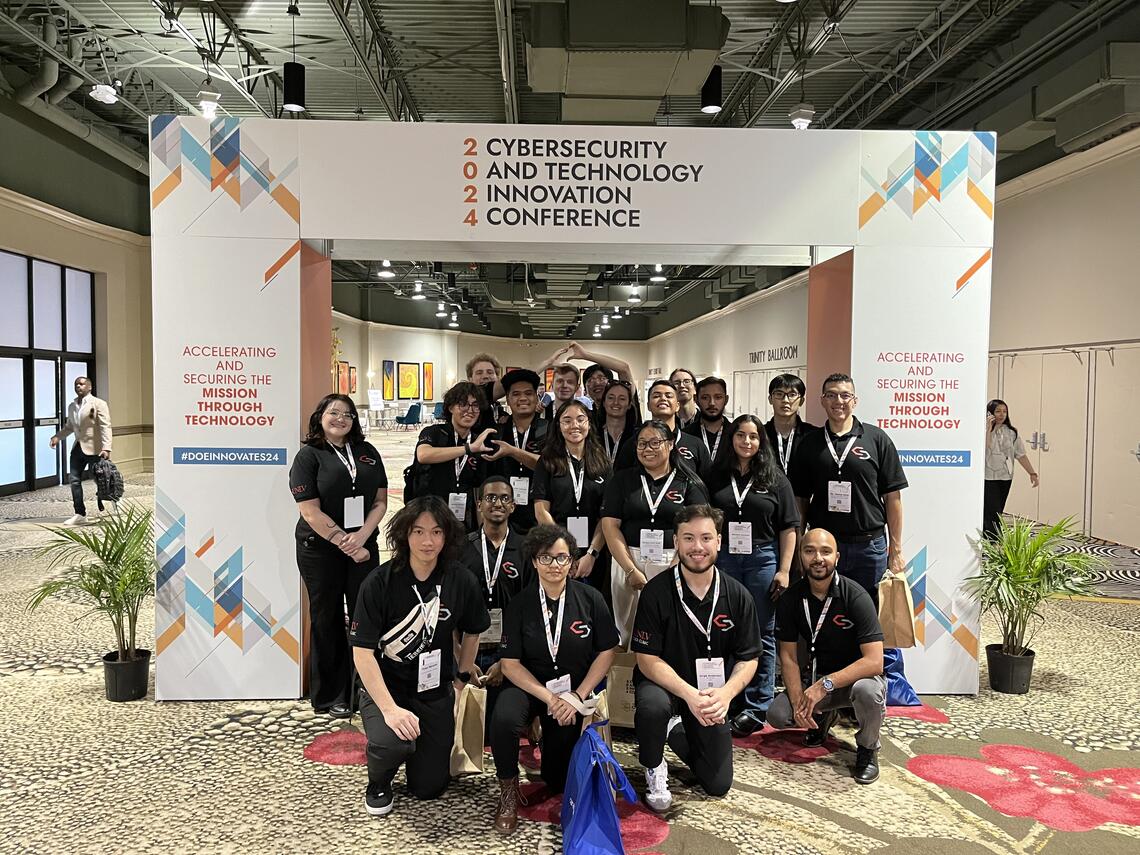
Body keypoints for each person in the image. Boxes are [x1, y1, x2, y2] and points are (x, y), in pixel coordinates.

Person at [350, 497, 490, 817]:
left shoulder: (460, 580)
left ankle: (418, 757)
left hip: (434, 688)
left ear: (447, 537)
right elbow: (362, 654)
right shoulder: (379, 583)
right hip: (388, 687)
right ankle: (379, 780)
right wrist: (390, 710)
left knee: (428, 788)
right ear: (405, 535)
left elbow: (473, 631)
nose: (428, 541)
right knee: (392, 741)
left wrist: (460, 681)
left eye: (437, 532)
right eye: (418, 531)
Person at [490, 524, 619, 834]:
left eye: (562, 558)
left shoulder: (590, 598)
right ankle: (507, 791)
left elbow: (606, 651)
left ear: (572, 561)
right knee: (504, 719)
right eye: (546, 558)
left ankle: (547, 737)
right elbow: (509, 664)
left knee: (557, 778)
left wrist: (577, 696)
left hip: (573, 692)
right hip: (531, 687)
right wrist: (549, 698)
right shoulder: (520, 605)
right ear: (534, 561)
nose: (554, 566)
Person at [632, 505, 760, 810]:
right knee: (653, 707)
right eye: (688, 538)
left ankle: (675, 729)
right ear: (676, 542)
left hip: (711, 691)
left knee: (717, 785)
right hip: (664, 685)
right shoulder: (656, 592)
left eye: (705, 538)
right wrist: (688, 695)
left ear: (718, 541)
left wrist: (726, 694)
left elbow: (750, 658)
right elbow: (646, 660)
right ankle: (653, 766)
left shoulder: (738, 595)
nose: (697, 547)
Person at [289, 394, 388, 717]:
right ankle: (332, 695)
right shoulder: (309, 457)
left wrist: (361, 538)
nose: (341, 418)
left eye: (348, 414)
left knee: (366, 616)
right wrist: (344, 541)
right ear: (320, 417)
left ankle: (366, 688)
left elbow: (380, 501)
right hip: (320, 550)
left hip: (363, 547)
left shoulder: (367, 453)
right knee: (327, 618)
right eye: (334, 412)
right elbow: (310, 511)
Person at [766, 528, 886, 784]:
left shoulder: (856, 596)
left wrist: (825, 684)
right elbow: (787, 657)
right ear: (800, 556)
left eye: (825, 551)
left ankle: (868, 749)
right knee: (778, 714)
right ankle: (821, 718)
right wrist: (799, 699)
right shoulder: (791, 599)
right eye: (809, 551)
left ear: (837, 557)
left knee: (868, 691)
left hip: (854, 680)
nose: (817, 558)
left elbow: (875, 661)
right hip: (817, 681)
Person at [706, 414, 799, 737]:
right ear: (731, 439)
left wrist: (785, 570)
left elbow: (789, 527)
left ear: (762, 442)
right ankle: (726, 697)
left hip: (762, 558)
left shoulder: (775, 478)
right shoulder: (716, 476)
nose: (747, 442)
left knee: (762, 632)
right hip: (725, 558)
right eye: (741, 436)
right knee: (723, 630)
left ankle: (756, 706)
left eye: (754, 437)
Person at [791, 374, 908, 609]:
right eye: (831, 395)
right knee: (825, 612)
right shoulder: (809, 444)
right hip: (824, 548)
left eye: (845, 395)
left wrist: (895, 549)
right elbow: (800, 500)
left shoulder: (876, 439)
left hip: (869, 546)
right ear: (822, 400)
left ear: (855, 401)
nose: (839, 401)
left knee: (868, 614)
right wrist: (798, 549)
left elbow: (893, 498)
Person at [601, 419, 710, 646]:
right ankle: (626, 679)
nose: (647, 449)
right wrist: (630, 569)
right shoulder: (622, 480)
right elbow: (610, 526)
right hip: (628, 559)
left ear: (670, 444)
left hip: (672, 560)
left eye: (654, 443)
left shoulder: (689, 483)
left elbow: (696, 530)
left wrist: (674, 569)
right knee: (626, 632)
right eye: (641, 444)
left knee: (667, 628)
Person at [460, 477, 530, 726]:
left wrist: (506, 661)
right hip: (467, 650)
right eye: (490, 498)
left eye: (504, 498)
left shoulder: (524, 549)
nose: (497, 503)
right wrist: (463, 661)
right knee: (466, 726)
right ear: (479, 504)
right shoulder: (461, 547)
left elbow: (531, 612)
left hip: (508, 654)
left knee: (501, 724)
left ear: (513, 505)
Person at [532, 400, 612, 607]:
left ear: (589, 423)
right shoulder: (547, 461)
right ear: (558, 425)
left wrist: (591, 554)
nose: (574, 425)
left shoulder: (603, 461)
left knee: (591, 607)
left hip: (595, 552)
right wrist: (562, 553)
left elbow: (607, 516)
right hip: (556, 552)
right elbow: (541, 511)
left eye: (580, 419)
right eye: (566, 420)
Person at [414, 382, 496, 530]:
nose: (470, 410)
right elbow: (423, 455)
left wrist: (482, 532)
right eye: (463, 404)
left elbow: (479, 490)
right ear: (451, 407)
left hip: (464, 520)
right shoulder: (434, 432)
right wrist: (468, 448)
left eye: (475, 405)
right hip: (430, 518)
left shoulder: (479, 442)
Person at [485, 368, 547, 534]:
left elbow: (551, 467)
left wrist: (512, 451)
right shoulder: (496, 432)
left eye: (528, 393)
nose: (523, 398)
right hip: (502, 518)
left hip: (540, 515)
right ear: (508, 399)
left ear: (536, 396)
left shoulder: (549, 430)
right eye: (516, 394)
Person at [50, 376, 113, 525]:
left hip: (95, 449)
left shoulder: (98, 404)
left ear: (89, 387)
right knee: (74, 479)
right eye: (76, 384)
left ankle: (116, 499)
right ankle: (80, 513)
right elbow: (70, 427)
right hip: (78, 447)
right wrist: (57, 437)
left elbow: (105, 426)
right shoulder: (72, 406)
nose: (78, 386)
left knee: (101, 479)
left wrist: (106, 447)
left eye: (82, 384)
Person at [614, 380, 710, 476]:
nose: (663, 399)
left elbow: (707, 484)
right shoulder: (634, 444)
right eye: (656, 396)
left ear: (677, 406)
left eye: (668, 396)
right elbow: (621, 482)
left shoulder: (695, 444)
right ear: (648, 406)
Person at [984, 399, 1038, 540]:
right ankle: (993, 541)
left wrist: (1032, 473)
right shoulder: (983, 431)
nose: (1001, 415)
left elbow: (1020, 455)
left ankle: (991, 540)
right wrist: (989, 429)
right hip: (988, 477)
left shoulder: (1012, 432)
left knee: (998, 511)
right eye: (997, 411)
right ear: (990, 413)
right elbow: (986, 447)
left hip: (1005, 477)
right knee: (991, 511)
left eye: (1004, 411)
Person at [763, 373, 818, 480]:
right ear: (770, 399)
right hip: (767, 496)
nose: (785, 400)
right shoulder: (760, 434)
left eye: (792, 395)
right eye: (779, 394)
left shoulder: (813, 435)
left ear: (801, 401)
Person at [684, 376, 731, 459]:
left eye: (718, 397)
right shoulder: (685, 435)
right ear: (696, 400)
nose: (712, 403)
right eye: (705, 398)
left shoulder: (735, 433)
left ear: (726, 400)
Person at [599, 379, 639, 463]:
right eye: (611, 398)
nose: (616, 402)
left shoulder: (637, 436)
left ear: (629, 405)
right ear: (603, 402)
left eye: (622, 399)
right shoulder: (592, 434)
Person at [466, 352, 507, 434]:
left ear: (497, 377)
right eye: (479, 373)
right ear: (470, 379)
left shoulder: (496, 406)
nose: (485, 376)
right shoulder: (470, 402)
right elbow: (516, 379)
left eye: (490, 372)